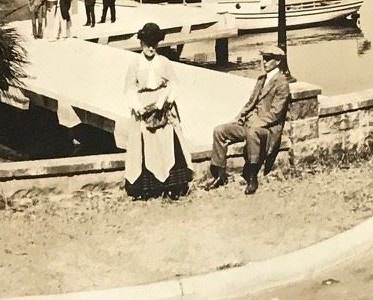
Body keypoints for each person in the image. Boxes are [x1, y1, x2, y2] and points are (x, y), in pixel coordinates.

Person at [120, 23, 193, 199]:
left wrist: (165, 100)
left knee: (168, 145)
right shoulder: (135, 64)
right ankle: (147, 188)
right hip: (143, 111)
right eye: (147, 43)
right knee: (145, 147)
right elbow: (129, 89)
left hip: (163, 109)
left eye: (154, 43)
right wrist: (138, 107)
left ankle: (174, 186)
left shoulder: (164, 62)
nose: (151, 47)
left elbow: (174, 83)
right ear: (141, 44)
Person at [204, 49, 292, 195]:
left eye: (268, 59)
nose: (264, 62)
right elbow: (251, 102)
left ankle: (252, 177)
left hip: (267, 129)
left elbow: (275, 114)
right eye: (264, 58)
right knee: (219, 130)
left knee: (252, 132)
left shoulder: (282, 83)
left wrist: (255, 123)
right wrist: (238, 117)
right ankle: (220, 175)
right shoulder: (261, 80)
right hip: (250, 123)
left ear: (278, 61)